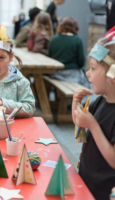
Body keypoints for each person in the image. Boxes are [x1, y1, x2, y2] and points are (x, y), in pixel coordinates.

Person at [72, 28, 115, 200]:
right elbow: (79, 124)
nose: (87, 73)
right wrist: (76, 103)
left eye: (93, 68)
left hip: (103, 192)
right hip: (86, 183)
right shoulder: (100, 100)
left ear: (113, 75)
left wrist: (93, 125)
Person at [48, 17, 89, 87]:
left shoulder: (53, 38)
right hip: (72, 74)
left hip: (55, 74)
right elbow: (81, 61)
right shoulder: (77, 40)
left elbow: (49, 57)